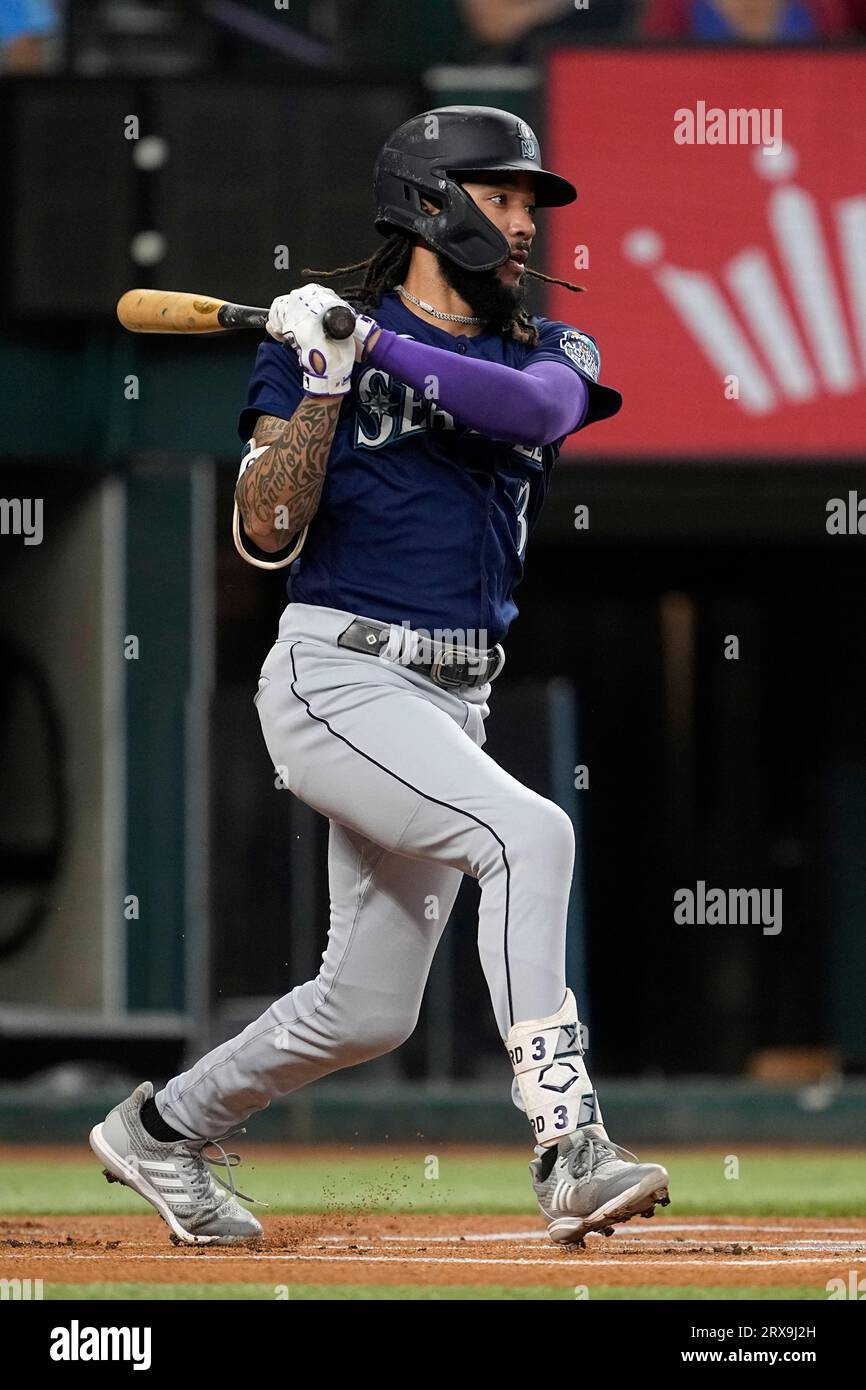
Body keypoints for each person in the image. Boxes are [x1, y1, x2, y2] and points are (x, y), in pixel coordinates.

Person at [89, 105, 670, 1249]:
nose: (517, 224)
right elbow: (263, 533)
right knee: (529, 834)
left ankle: (163, 1126)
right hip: (334, 675)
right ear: (426, 203)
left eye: (523, 204)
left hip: (453, 699)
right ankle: (569, 1142)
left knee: (365, 1010)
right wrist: (318, 381)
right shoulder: (309, 347)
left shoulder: (547, 351)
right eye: (496, 197)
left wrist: (376, 349)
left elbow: (537, 412)